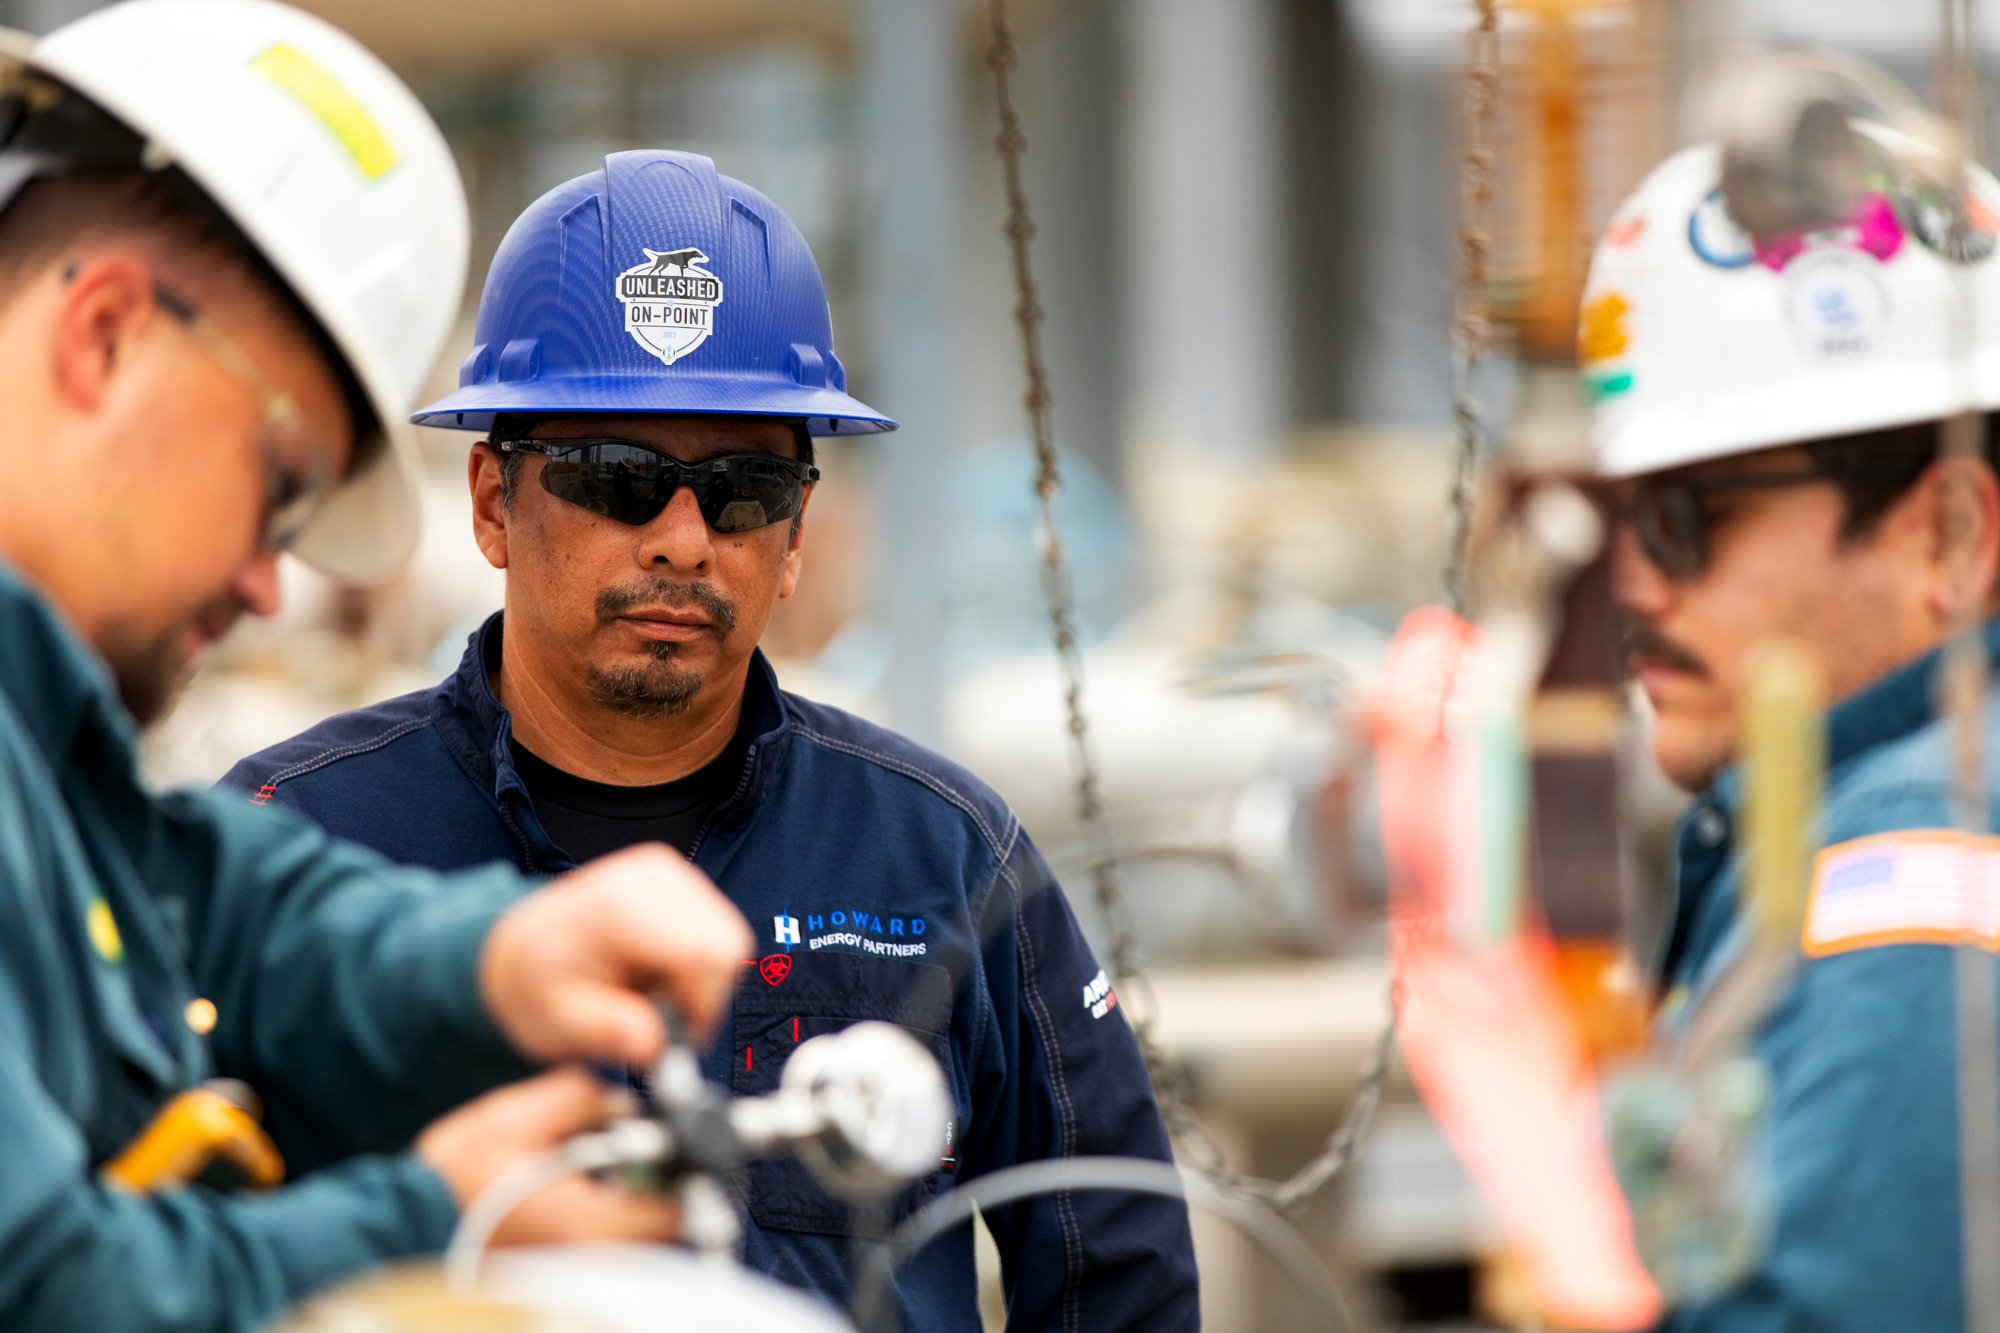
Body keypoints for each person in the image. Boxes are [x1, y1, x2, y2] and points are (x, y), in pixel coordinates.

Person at [224, 150, 1202, 1330]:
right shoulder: (291, 839)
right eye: (619, 474)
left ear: (794, 537)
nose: (684, 539)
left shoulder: (946, 857)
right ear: (492, 501)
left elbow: (1120, 1271)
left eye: (740, 489)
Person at [0, 4, 755, 1329]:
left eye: (745, 488)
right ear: (106, 334)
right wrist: (441, 1214)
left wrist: (493, 957)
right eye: (277, 482)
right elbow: (45, 1287)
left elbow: (190, 901)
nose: (265, 585)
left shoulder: (38, 756)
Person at [1578, 107, 2000, 1329]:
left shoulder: (1912, 866)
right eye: (1618, 517)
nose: (1631, 585)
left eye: (1686, 517)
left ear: (1950, 536)